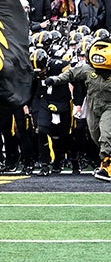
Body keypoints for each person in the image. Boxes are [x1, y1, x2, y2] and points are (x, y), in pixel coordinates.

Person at [45, 37, 111, 181]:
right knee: (96, 136)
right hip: (93, 107)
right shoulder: (87, 69)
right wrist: (54, 80)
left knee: (106, 135)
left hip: (109, 106)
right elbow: (70, 74)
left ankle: (107, 166)